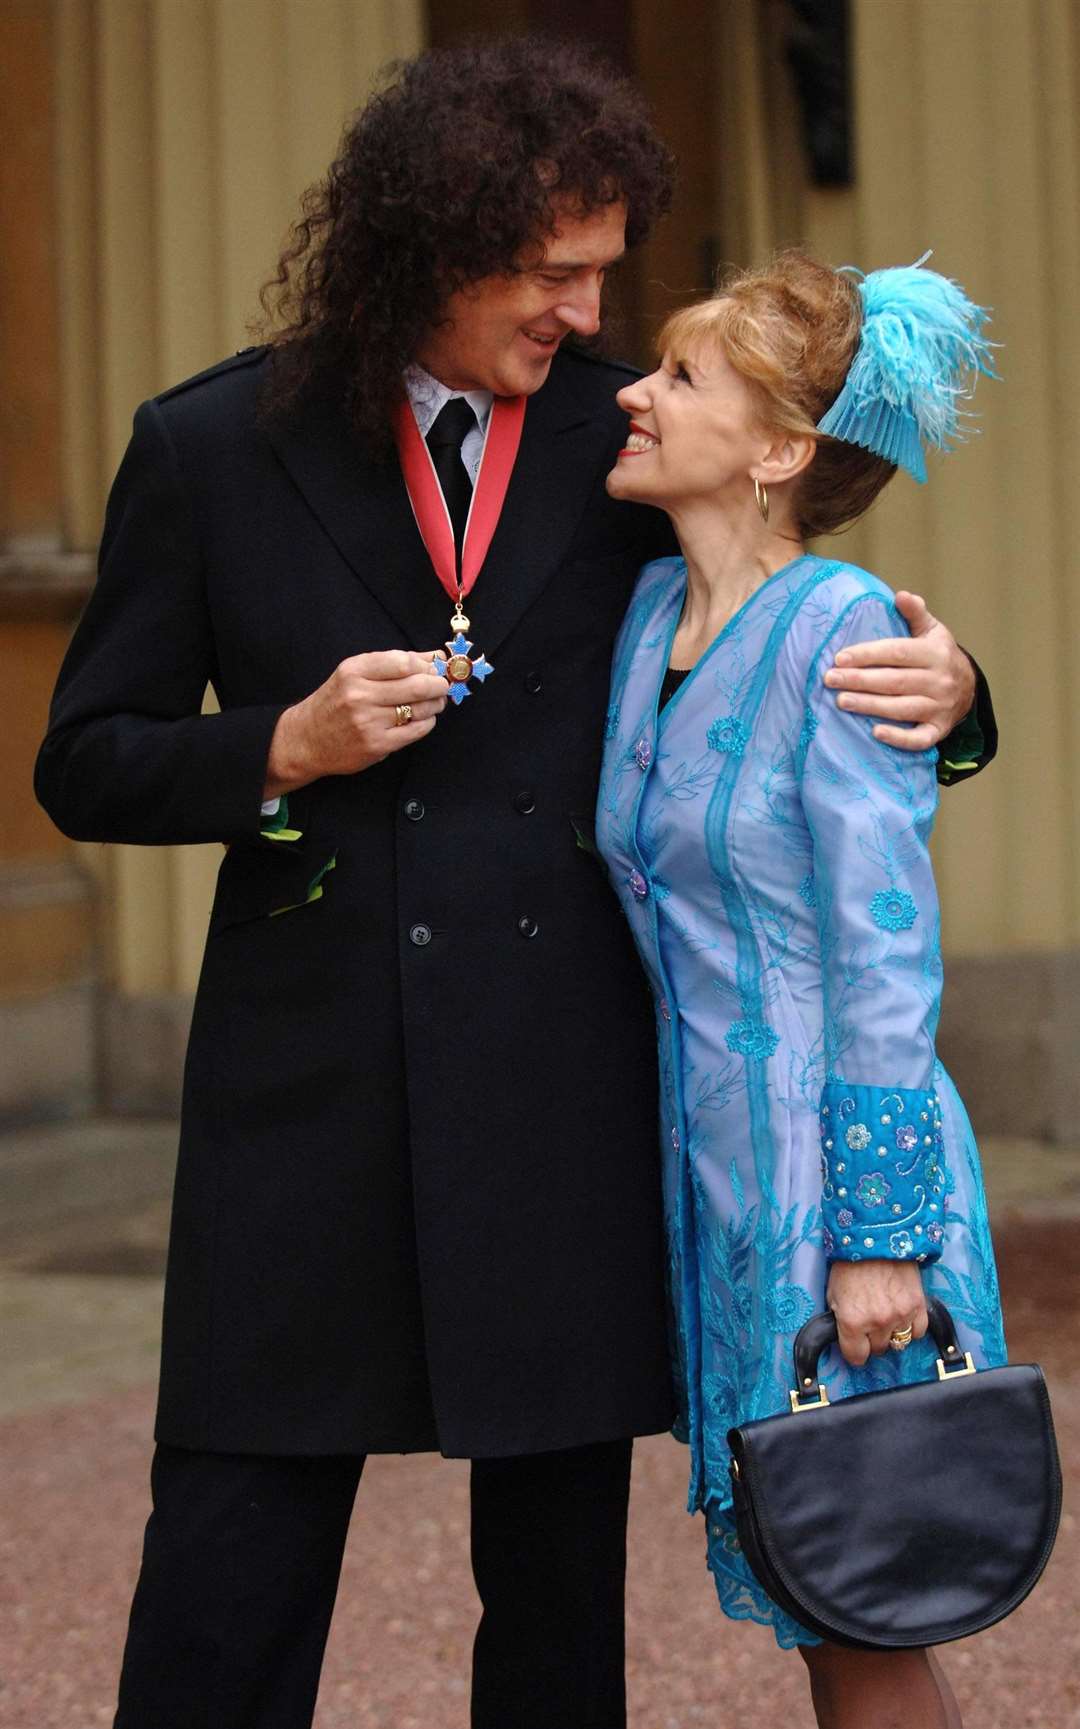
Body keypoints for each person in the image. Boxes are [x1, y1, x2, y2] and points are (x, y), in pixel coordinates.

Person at [35, 39, 993, 1729]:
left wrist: (966, 699)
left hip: (560, 1096)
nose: (583, 317)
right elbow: (85, 757)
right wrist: (284, 746)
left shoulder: (626, 443)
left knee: (555, 1618)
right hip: (302, 1098)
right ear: (430, 247)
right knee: (225, 1584)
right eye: (552, 275)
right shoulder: (206, 446)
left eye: (603, 276)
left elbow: (792, 634)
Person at [598, 251, 1007, 1728]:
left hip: (846, 1188)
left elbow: (886, 954)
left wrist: (882, 1238)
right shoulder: (650, 617)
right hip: (722, 1185)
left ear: (779, 451)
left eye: (682, 378)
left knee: (868, 1602)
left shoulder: (842, 629)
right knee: (819, 1593)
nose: (634, 394)